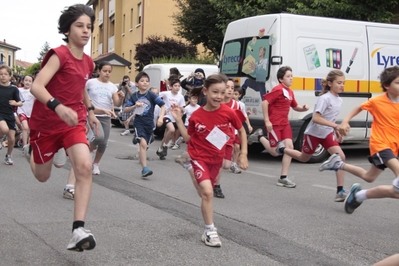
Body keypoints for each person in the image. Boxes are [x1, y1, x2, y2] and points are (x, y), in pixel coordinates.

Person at [26, 4, 99, 251]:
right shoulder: (59, 54)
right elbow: (37, 86)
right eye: (80, 26)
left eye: (89, 26)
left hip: (73, 121)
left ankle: (78, 229)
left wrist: (89, 112)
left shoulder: (88, 62)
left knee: (84, 166)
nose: (86, 31)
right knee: (42, 176)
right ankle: (31, 154)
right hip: (46, 123)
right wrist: (57, 106)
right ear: (67, 30)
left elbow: (80, 87)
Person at [170, 73, 248, 247]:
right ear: (205, 91)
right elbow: (189, 138)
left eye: (222, 92)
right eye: (215, 92)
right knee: (207, 192)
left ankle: (188, 166)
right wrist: (178, 120)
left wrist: (243, 154)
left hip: (216, 159)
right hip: (199, 156)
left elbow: (241, 131)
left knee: (205, 193)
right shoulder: (197, 116)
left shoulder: (229, 112)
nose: (219, 96)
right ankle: (210, 230)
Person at [319, 65, 399, 213]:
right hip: (381, 145)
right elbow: (359, 108)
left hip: (394, 147)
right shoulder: (378, 102)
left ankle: (340, 167)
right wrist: (345, 121)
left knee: (369, 177)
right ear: (387, 85)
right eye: (398, 82)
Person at [278, 70, 348, 201]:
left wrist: (337, 131)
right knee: (304, 158)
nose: (342, 85)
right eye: (339, 83)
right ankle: (282, 149)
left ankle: (340, 191)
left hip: (326, 133)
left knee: (341, 157)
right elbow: (316, 118)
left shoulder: (339, 100)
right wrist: (335, 127)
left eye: (343, 83)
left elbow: (331, 119)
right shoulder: (324, 98)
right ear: (330, 83)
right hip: (313, 134)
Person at [249, 66, 309, 188]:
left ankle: (283, 177)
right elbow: (265, 102)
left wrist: (303, 108)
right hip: (274, 123)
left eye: (292, 76)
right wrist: (267, 120)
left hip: (285, 123)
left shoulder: (290, 92)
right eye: (288, 76)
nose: (291, 78)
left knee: (289, 147)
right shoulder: (278, 89)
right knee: (275, 152)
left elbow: (295, 106)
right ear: (281, 79)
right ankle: (259, 136)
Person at [123, 71, 165, 177]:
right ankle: (144, 169)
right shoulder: (134, 97)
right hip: (139, 123)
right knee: (143, 144)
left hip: (149, 124)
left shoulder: (151, 95)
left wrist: (160, 118)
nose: (145, 83)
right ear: (137, 83)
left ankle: (141, 138)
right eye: (142, 81)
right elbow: (126, 110)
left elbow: (163, 106)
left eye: (147, 81)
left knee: (146, 144)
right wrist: (134, 106)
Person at [86, 61, 124, 175]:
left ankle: (95, 164)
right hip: (93, 115)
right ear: (99, 71)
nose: (107, 73)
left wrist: (121, 98)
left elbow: (117, 103)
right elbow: (84, 98)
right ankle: (88, 151)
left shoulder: (112, 86)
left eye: (109, 71)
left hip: (106, 117)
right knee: (99, 138)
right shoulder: (90, 83)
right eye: (104, 71)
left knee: (104, 143)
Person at [213, 78, 246, 198]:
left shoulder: (236, 104)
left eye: (232, 88)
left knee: (226, 165)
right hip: (217, 136)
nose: (230, 90)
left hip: (230, 136)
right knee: (219, 161)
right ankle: (216, 186)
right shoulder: (217, 102)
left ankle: (212, 179)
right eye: (227, 87)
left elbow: (241, 121)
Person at [156, 78, 185, 160]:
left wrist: (181, 110)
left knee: (166, 135)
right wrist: (161, 108)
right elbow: (155, 96)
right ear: (171, 87)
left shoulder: (181, 97)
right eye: (175, 86)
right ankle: (165, 145)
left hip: (174, 117)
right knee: (171, 130)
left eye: (179, 86)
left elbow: (182, 108)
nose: (177, 87)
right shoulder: (166, 94)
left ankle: (160, 150)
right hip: (166, 116)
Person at [0, 65, 22, 165]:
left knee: (12, 139)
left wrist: (15, 103)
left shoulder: (14, 89)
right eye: (0, 74)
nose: (2, 76)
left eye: (5, 74)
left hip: (10, 114)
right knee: (4, 129)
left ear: (10, 76)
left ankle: (8, 156)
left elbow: (20, 102)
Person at [231, 85, 253, 173]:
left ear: (239, 95)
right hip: (227, 129)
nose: (233, 95)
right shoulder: (227, 102)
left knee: (237, 146)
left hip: (236, 129)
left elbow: (244, 116)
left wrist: (249, 125)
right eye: (233, 93)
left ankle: (234, 164)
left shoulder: (241, 105)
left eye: (236, 94)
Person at [17, 75, 35, 147]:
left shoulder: (33, 91)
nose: (27, 82)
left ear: (32, 83)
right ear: (22, 81)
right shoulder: (18, 90)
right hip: (21, 111)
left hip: (31, 113)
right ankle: (25, 146)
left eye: (30, 81)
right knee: (25, 127)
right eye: (26, 80)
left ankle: (25, 142)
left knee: (29, 130)